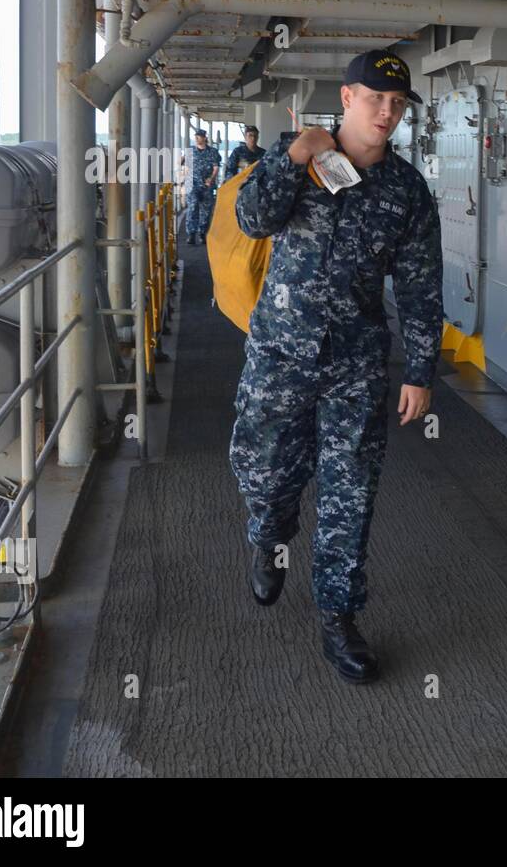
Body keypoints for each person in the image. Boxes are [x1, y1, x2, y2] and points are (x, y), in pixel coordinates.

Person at [229, 49, 444, 685]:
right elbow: (252, 218)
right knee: (265, 473)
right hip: (280, 353)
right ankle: (269, 536)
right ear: (347, 97)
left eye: (399, 103)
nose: (388, 112)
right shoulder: (298, 159)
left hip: (356, 363)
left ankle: (339, 618)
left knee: (351, 492)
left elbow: (420, 285)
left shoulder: (406, 191)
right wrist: (293, 157)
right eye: (377, 98)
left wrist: (421, 370)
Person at [182, 128, 221, 244]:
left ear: (205, 138)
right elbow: (184, 166)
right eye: (196, 136)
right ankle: (191, 234)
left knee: (205, 210)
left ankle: (203, 233)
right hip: (192, 183)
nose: (197, 138)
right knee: (193, 206)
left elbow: (216, 167)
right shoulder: (190, 151)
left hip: (206, 185)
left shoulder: (213, 152)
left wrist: (212, 179)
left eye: (199, 136)